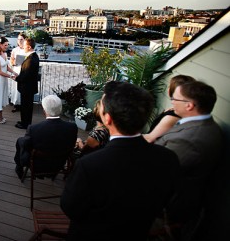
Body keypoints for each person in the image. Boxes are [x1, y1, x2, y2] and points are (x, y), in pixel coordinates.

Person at [61, 81, 180, 240]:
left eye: (102, 105)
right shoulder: (168, 159)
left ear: (108, 119)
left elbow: (70, 208)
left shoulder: (89, 165)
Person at [155, 81, 223, 235]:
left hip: (167, 210)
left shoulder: (191, 139)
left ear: (189, 105)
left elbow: (158, 172)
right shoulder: (200, 123)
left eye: (175, 98)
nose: (172, 101)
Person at [13, 94, 77, 179]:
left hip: (37, 165)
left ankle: (19, 166)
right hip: (60, 163)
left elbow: (27, 146)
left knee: (20, 141)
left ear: (44, 111)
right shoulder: (72, 127)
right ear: (60, 109)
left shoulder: (34, 129)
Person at [143, 74, 195, 143]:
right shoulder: (175, 111)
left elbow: (150, 139)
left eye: (170, 86)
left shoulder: (172, 116)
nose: (168, 88)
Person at [14, 37, 40, 129]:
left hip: (27, 87)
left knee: (26, 106)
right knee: (27, 106)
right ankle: (25, 122)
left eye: (24, 45)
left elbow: (26, 75)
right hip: (29, 87)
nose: (22, 47)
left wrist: (16, 78)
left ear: (29, 47)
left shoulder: (30, 59)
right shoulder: (34, 56)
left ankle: (25, 124)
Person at [10, 33, 26, 112]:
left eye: (21, 39)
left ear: (25, 40)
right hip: (16, 69)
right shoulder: (14, 49)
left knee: (23, 87)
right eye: (18, 39)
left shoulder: (27, 49)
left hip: (24, 70)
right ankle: (16, 104)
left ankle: (23, 104)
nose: (19, 41)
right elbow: (11, 59)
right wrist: (13, 63)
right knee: (16, 88)